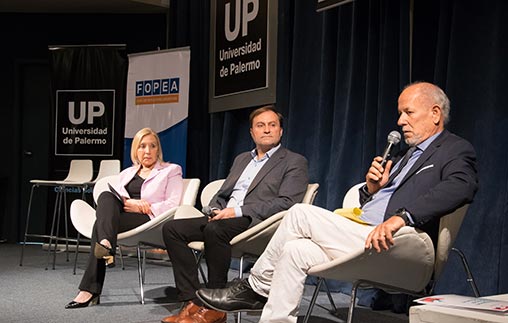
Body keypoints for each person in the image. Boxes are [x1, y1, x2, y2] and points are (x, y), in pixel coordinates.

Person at [196, 82, 479, 323]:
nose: (400, 121)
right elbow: (380, 202)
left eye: (408, 112)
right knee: (295, 250)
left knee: (299, 214)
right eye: (400, 113)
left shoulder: (453, 149)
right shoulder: (405, 155)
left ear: (435, 113)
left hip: (402, 244)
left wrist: (403, 216)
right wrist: (371, 190)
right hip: (362, 236)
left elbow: (461, 186)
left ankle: (255, 288)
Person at [160, 105, 309, 323]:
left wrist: (236, 211)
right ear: (252, 132)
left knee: (215, 229)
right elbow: (223, 194)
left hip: (257, 222)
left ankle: (215, 306)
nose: (266, 130)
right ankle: (193, 300)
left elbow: (287, 203)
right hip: (225, 217)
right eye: (260, 125)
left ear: (281, 131)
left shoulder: (293, 161)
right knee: (172, 229)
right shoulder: (242, 159)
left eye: (272, 125)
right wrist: (214, 209)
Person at [65, 127, 184, 309]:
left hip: (151, 220)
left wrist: (145, 207)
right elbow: (118, 200)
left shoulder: (171, 170)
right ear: (135, 150)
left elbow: (174, 203)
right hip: (124, 216)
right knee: (106, 195)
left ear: (158, 150)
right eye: (142, 146)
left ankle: (89, 289)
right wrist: (131, 203)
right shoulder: (127, 173)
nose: (147, 151)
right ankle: (106, 242)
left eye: (152, 146)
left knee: (100, 224)